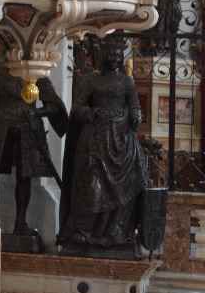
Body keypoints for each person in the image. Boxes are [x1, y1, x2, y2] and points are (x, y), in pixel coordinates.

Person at [59, 35, 148, 255]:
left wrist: (135, 116)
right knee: (91, 186)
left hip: (121, 142)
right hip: (95, 141)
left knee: (123, 188)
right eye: (110, 53)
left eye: (118, 53)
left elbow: (135, 106)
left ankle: (115, 232)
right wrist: (93, 113)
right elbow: (77, 109)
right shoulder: (91, 80)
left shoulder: (127, 81)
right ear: (103, 56)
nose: (114, 57)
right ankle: (85, 232)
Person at [0, 50, 67, 239]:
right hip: (0, 128)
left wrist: (37, 113)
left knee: (25, 176)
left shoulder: (36, 73)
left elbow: (53, 105)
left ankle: (21, 223)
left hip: (28, 128)